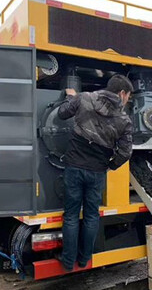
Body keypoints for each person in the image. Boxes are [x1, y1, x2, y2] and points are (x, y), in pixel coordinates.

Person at [57, 74, 134, 271]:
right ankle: (84, 260)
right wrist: (110, 165)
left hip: (74, 167)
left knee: (71, 216)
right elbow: (125, 152)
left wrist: (70, 97)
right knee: (91, 216)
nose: (127, 101)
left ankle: (67, 262)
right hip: (97, 172)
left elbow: (62, 114)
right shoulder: (124, 120)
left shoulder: (84, 98)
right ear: (122, 93)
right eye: (128, 97)